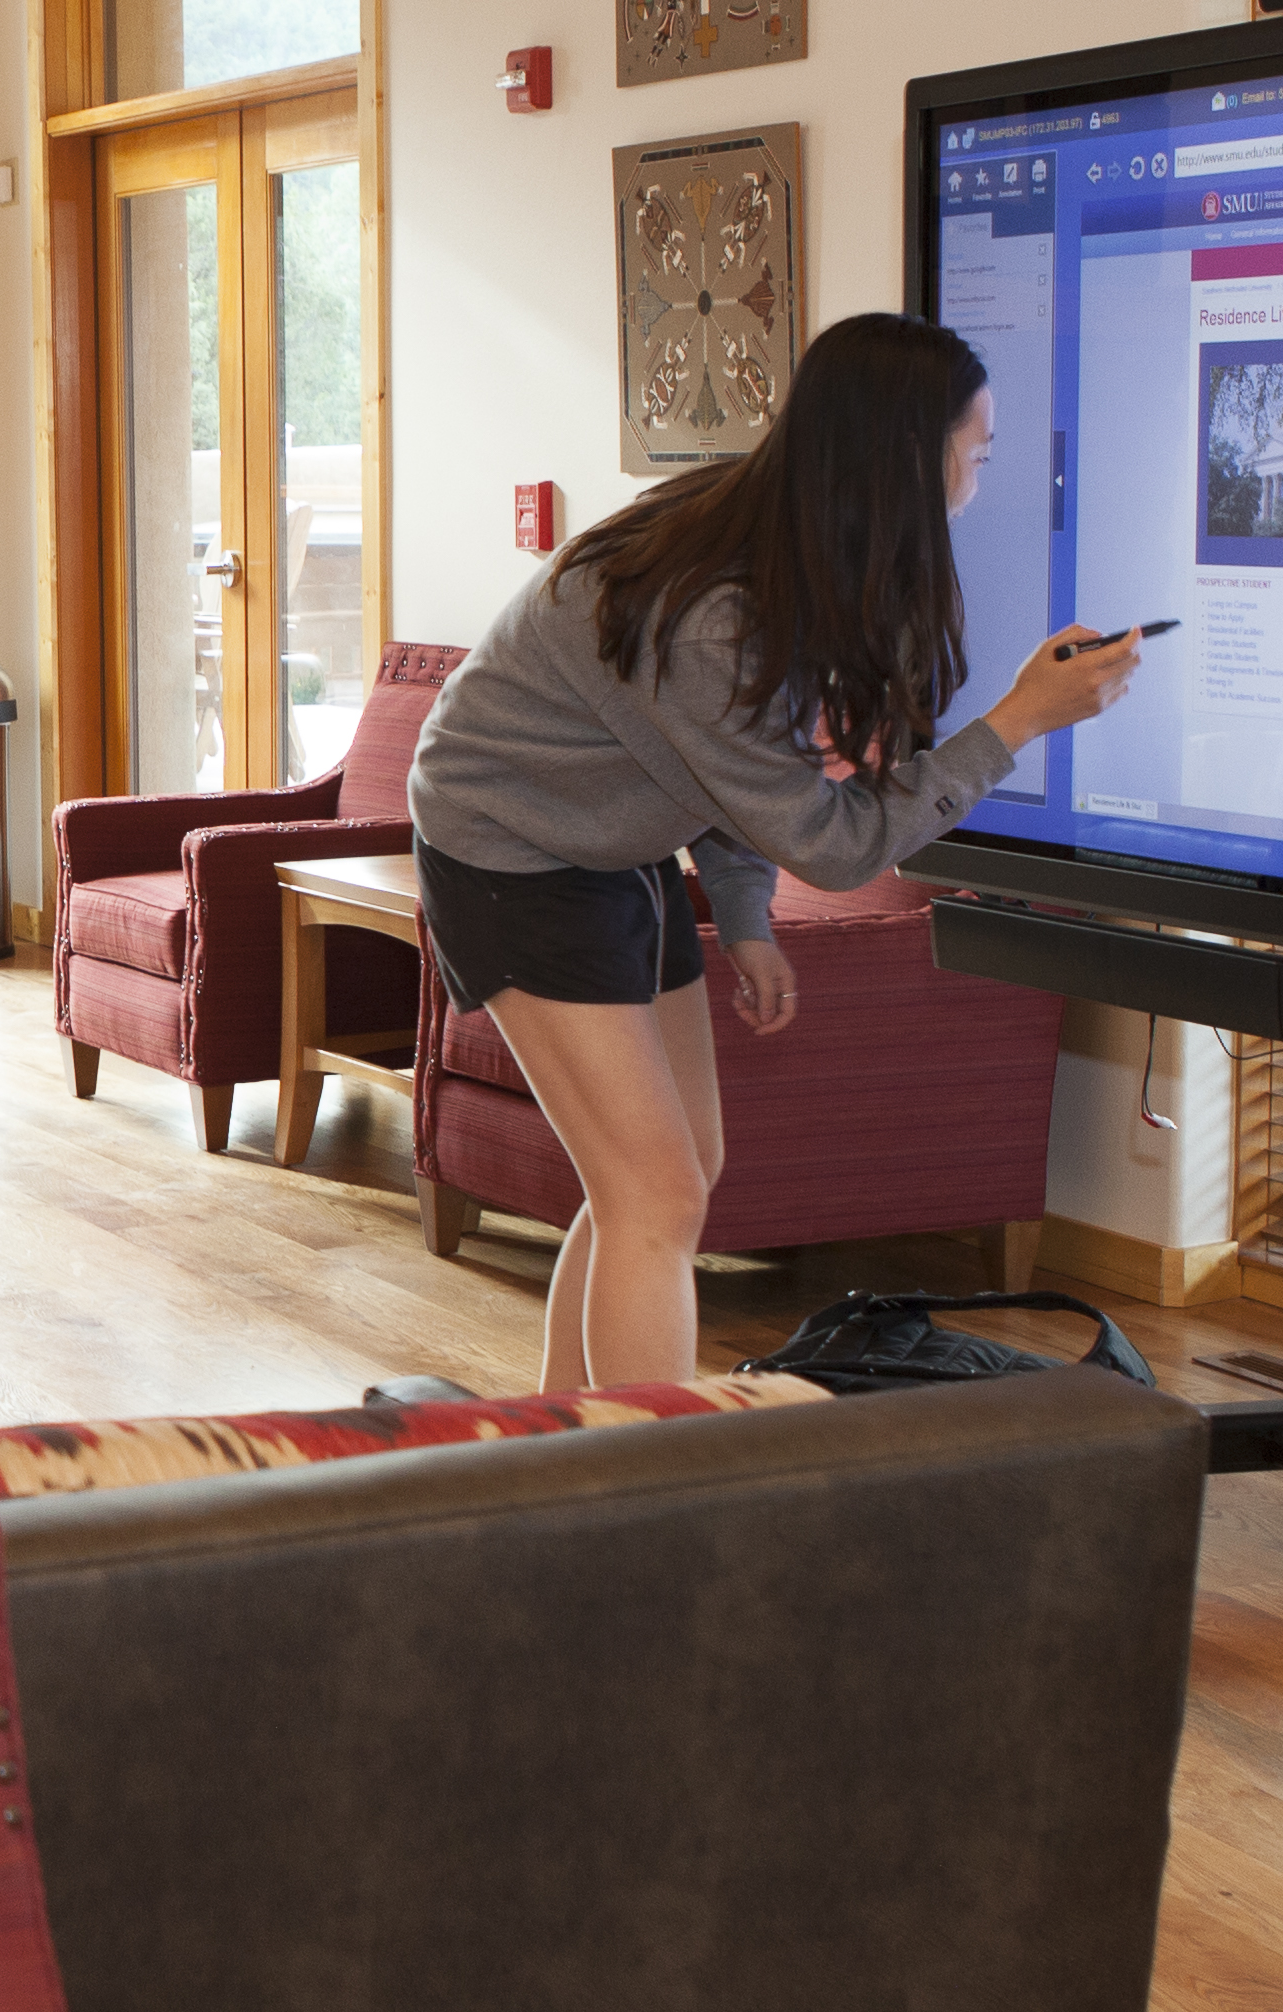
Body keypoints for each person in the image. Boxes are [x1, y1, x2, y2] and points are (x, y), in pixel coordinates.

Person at [400, 312, 1144, 1397]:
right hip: (507, 847)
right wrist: (1018, 723)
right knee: (653, 1196)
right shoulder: (716, 606)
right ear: (905, 457)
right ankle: (659, 1504)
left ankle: (554, 1447)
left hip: (612, 840)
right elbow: (832, 845)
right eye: (975, 456)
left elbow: (735, 768)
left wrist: (742, 918)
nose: (980, 481)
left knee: (669, 1181)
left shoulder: (793, 553)